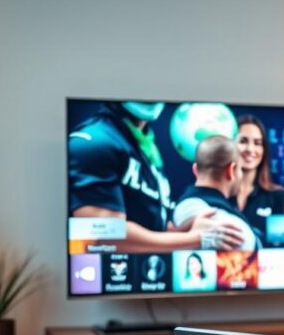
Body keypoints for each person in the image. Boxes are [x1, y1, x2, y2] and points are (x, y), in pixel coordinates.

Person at [69, 101, 244, 252]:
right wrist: (198, 238)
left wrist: (189, 229)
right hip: (107, 280)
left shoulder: (147, 150)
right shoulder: (94, 142)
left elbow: (155, 229)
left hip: (150, 280)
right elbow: (102, 235)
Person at [173, 136, 259, 252]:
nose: (241, 175)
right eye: (240, 169)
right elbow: (244, 242)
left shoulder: (185, 205)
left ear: (195, 169)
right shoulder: (192, 207)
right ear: (231, 170)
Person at [235, 115, 284, 243]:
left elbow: (283, 246)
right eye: (243, 141)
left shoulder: (278, 196)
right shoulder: (217, 196)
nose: (250, 149)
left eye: (257, 143)